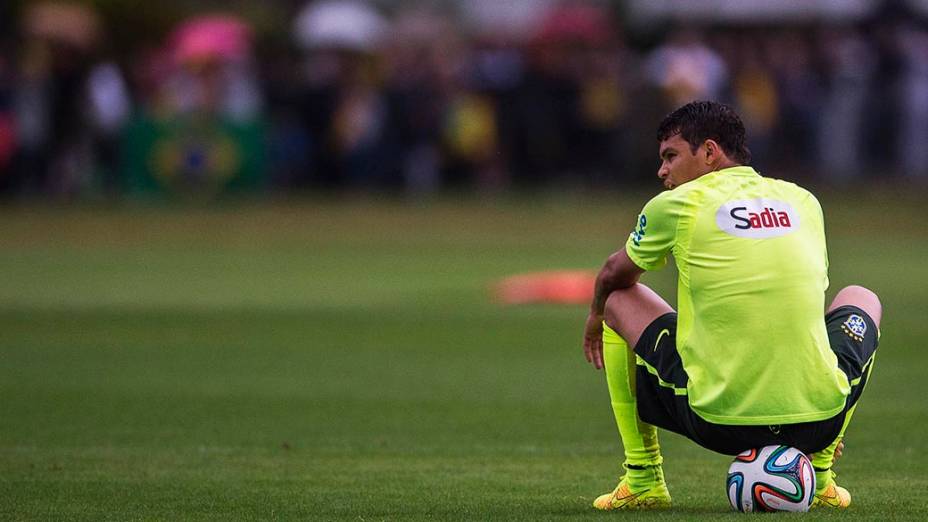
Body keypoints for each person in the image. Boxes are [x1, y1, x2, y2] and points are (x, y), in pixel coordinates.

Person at [582, 101, 881, 510]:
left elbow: (613, 274)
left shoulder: (676, 205)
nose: (662, 172)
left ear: (709, 152)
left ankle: (643, 479)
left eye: (670, 156)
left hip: (718, 421)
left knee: (618, 300)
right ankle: (822, 474)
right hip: (819, 421)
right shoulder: (805, 201)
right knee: (862, 298)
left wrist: (596, 315)